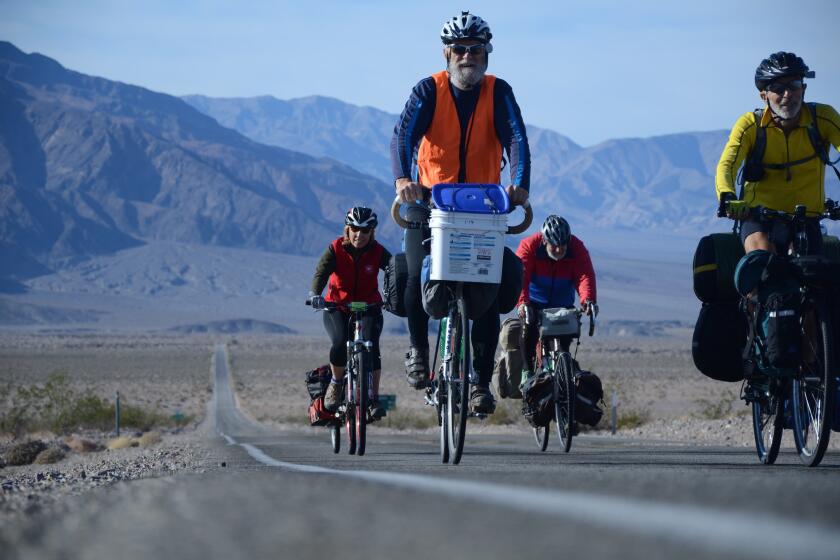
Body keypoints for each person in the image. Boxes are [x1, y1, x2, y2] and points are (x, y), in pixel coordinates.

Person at [390, 11, 531, 414]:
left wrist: (520, 185)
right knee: (418, 271)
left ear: (487, 53)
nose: (467, 56)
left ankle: (479, 385)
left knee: (486, 291)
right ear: (446, 53)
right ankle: (418, 350)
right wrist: (403, 180)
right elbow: (402, 136)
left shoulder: (498, 92)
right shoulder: (427, 91)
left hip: (483, 207)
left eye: (475, 49)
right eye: (459, 50)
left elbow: (517, 139)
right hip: (429, 202)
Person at [716, 51, 840, 255]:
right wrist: (727, 197)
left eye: (794, 86)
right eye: (777, 88)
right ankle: (755, 286)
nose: (787, 94)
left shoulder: (823, 118)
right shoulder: (750, 125)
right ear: (764, 96)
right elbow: (728, 165)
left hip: (807, 219)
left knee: (817, 277)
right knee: (761, 264)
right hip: (758, 218)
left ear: (804, 89)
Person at [308, 207, 392, 420]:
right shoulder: (336, 248)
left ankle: (372, 398)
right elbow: (321, 272)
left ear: (372, 232)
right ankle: (336, 384)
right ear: (347, 228)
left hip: (368, 307)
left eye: (365, 231)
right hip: (338, 306)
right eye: (355, 229)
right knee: (339, 342)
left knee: (372, 346)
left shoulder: (377, 251)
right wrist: (315, 294)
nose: (359, 235)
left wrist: (396, 295)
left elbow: (394, 270)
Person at [516, 215, 597, 376]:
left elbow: (585, 276)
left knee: (564, 346)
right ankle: (526, 372)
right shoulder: (529, 246)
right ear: (545, 241)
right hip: (534, 303)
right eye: (554, 246)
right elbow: (520, 277)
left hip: (562, 305)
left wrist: (588, 300)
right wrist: (523, 303)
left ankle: (565, 378)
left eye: (563, 246)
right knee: (528, 328)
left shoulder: (577, 248)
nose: (559, 250)